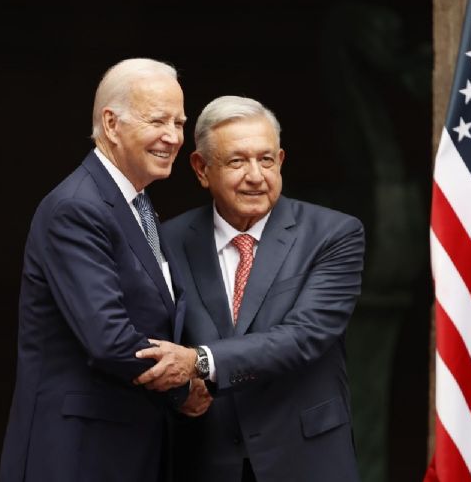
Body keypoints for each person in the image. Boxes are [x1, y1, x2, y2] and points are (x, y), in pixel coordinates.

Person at [0, 58, 210, 482]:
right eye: (158, 121)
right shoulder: (77, 208)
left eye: (179, 123)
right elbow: (109, 339)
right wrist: (185, 386)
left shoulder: (137, 203)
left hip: (123, 446)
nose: (173, 138)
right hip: (78, 453)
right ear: (112, 125)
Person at [134, 95, 365, 481]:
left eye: (266, 159)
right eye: (237, 161)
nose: (256, 175)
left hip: (305, 457)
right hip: (206, 457)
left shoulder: (333, 234)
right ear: (201, 169)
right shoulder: (167, 241)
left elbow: (304, 336)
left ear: (281, 162)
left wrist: (199, 361)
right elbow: (154, 337)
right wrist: (178, 393)